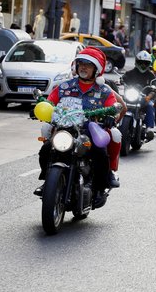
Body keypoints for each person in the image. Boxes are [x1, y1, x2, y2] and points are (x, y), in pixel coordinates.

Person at [35, 47, 121, 208]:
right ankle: (48, 182)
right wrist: (41, 106)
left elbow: (113, 106)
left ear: (96, 69)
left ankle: (99, 189)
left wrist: (110, 116)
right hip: (65, 128)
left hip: (89, 130)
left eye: (88, 65)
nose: (83, 67)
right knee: (46, 149)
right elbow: (50, 102)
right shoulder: (64, 86)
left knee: (100, 153)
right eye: (81, 63)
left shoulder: (103, 91)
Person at [122, 51, 156, 129]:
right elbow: (122, 79)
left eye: (145, 63)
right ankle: (114, 122)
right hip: (130, 97)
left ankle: (149, 128)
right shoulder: (129, 73)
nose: (143, 65)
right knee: (118, 104)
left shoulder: (151, 75)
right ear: (137, 62)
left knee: (150, 106)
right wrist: (119, 80)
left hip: (145, 99)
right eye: (141, 62)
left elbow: (154, 89)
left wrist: (149, 96)